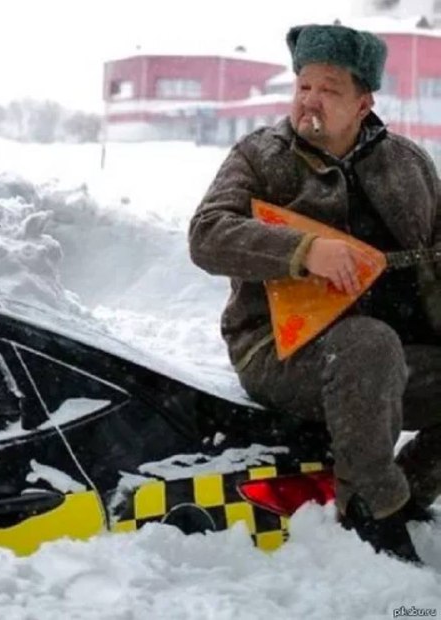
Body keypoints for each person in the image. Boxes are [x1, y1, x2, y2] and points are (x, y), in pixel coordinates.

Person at [189, 23, 441, 564]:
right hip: (279, 351)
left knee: (377, 347)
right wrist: (303, 251)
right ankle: (371, 511)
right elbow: (206, 235)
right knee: (368, 344)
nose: (310, 101)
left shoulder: (411, 166)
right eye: (303, 86)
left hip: (390, 358)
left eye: (328, 89)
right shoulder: (260, 157)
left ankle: (409, 491)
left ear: (364, 101)